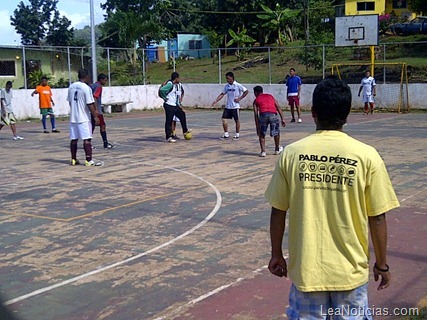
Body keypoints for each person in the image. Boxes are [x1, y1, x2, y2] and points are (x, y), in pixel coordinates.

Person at [265, 76, 400, 319]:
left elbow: (278, 210)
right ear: (347, 113)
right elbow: (377, 217)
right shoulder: (367, 156)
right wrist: (382, 263)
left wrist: (276, 253)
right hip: (349, 273)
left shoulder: (292, 154)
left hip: (308, 272)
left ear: (313, 112)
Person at [67, 69, 102, 166]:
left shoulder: (71, 86)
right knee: (87, 139)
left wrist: (74, 110)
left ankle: (73, 159)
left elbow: (70, 102)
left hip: (73, 118)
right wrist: (95, 116)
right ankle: (88, 160)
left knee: (74, 139)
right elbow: (90, 104)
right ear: (86, 76)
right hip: (83, 118)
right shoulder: (86, 88)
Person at [212, 71, 248, 140]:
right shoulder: (227, 86)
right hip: (228, 106)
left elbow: (246, 91)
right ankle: (226, 134)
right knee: (224, 119)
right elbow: (222, 94)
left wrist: (239, 98)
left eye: (228, 78)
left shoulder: (238, 85)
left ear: (232, 78)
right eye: (226, 79)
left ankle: (237, 134)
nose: (227, 80)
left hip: (235, 106)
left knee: (236, 120)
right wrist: (216, 100)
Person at [253, 86, 286, 157]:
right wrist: (283, 119)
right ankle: (277, 149)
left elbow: (256, 114)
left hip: (263, 115)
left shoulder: (256, 100)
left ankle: (263, 151)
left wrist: (257, 126)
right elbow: (278, 107)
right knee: (276, 132)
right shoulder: (270, 96)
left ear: (255, 93)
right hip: (273, 114)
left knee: (262, 134)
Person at [158, 72, 191, 143]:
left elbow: (178, 94)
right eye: (178, 78)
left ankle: (185, 131)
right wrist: (165, 98)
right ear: (176, 78)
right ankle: (168, 137)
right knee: (169, 121)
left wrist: (179, 104)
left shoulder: (177, 85)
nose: (179, 79)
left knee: (182, 115)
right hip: (169, 105)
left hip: (175, 105)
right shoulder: (170, 84)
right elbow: (161, 90)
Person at [91, 73, 115, 149]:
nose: (105, 82)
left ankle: (88, 143)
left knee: (92, 126)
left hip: (90, 109)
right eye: (105, 80)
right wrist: (96, 110)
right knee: (102, 126)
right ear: (101, 80)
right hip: (96, 110)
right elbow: (95, 97)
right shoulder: (99, 87)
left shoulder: (92, 85)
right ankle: (105, 143)